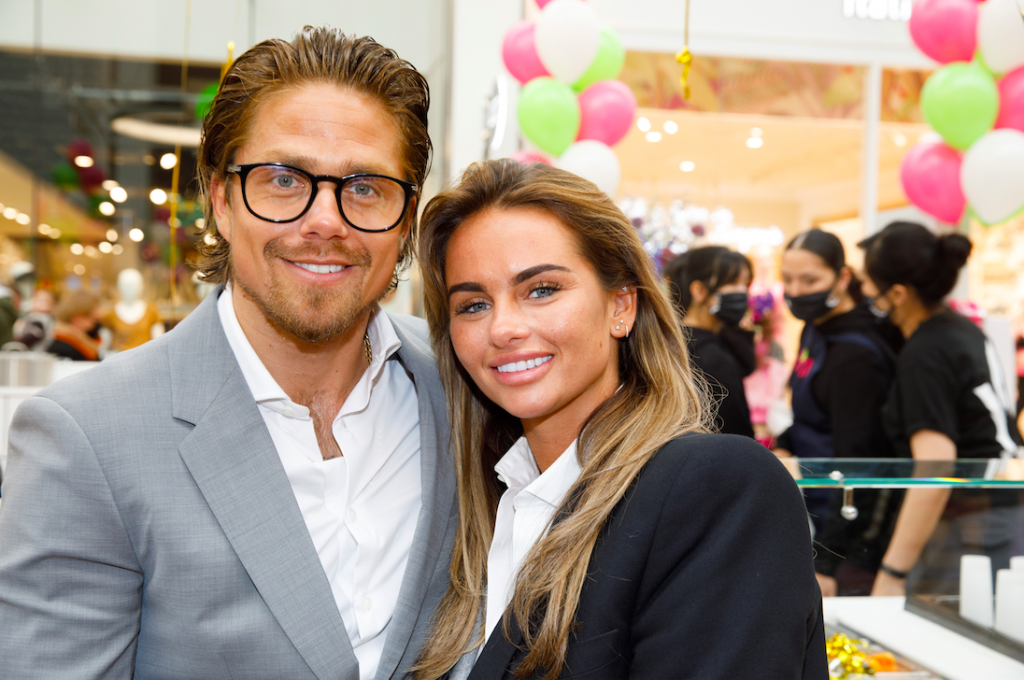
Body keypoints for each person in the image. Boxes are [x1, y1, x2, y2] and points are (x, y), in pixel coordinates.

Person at [0, 27, 456, 680]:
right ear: (220, 198)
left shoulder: (460, 386)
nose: (325, 220)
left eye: (365, 187)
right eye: (281, 179)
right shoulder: (87, 437)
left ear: (406, 215)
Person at [412, 160, 826, 680]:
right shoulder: (488, 502)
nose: (503, 327)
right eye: (472, 305)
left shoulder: (715, 486)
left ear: (622, 306)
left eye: (541, 290)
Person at [860, 222, 1022, 597]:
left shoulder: (925, 353)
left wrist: (893, 571)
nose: (865, 292)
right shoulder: (961, 329)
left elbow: (937, 467)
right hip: (1000, 511)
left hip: (972, 525)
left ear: (898, 293)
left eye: (870, 282)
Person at [774, 229, 903, 596]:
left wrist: (828, 560)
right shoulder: (815, 330)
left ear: (843, 277)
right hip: (813, 511)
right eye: (788, 280)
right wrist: (785, 444)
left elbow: (859, 462)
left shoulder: (856, 355)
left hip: (849, 532)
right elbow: (810, 413)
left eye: (810, 280)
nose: (795, 291)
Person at [664, 246, 756, 437]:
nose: (742, 293)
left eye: (745, 285)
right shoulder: (712, 358)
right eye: (732, 283)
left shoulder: (672, 339)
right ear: (699, 290)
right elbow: (738, 435)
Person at [47, 289, 102, 361]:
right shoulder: (63, 345)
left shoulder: (83, 337)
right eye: (92, 319)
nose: (92, 325)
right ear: (78, 317)